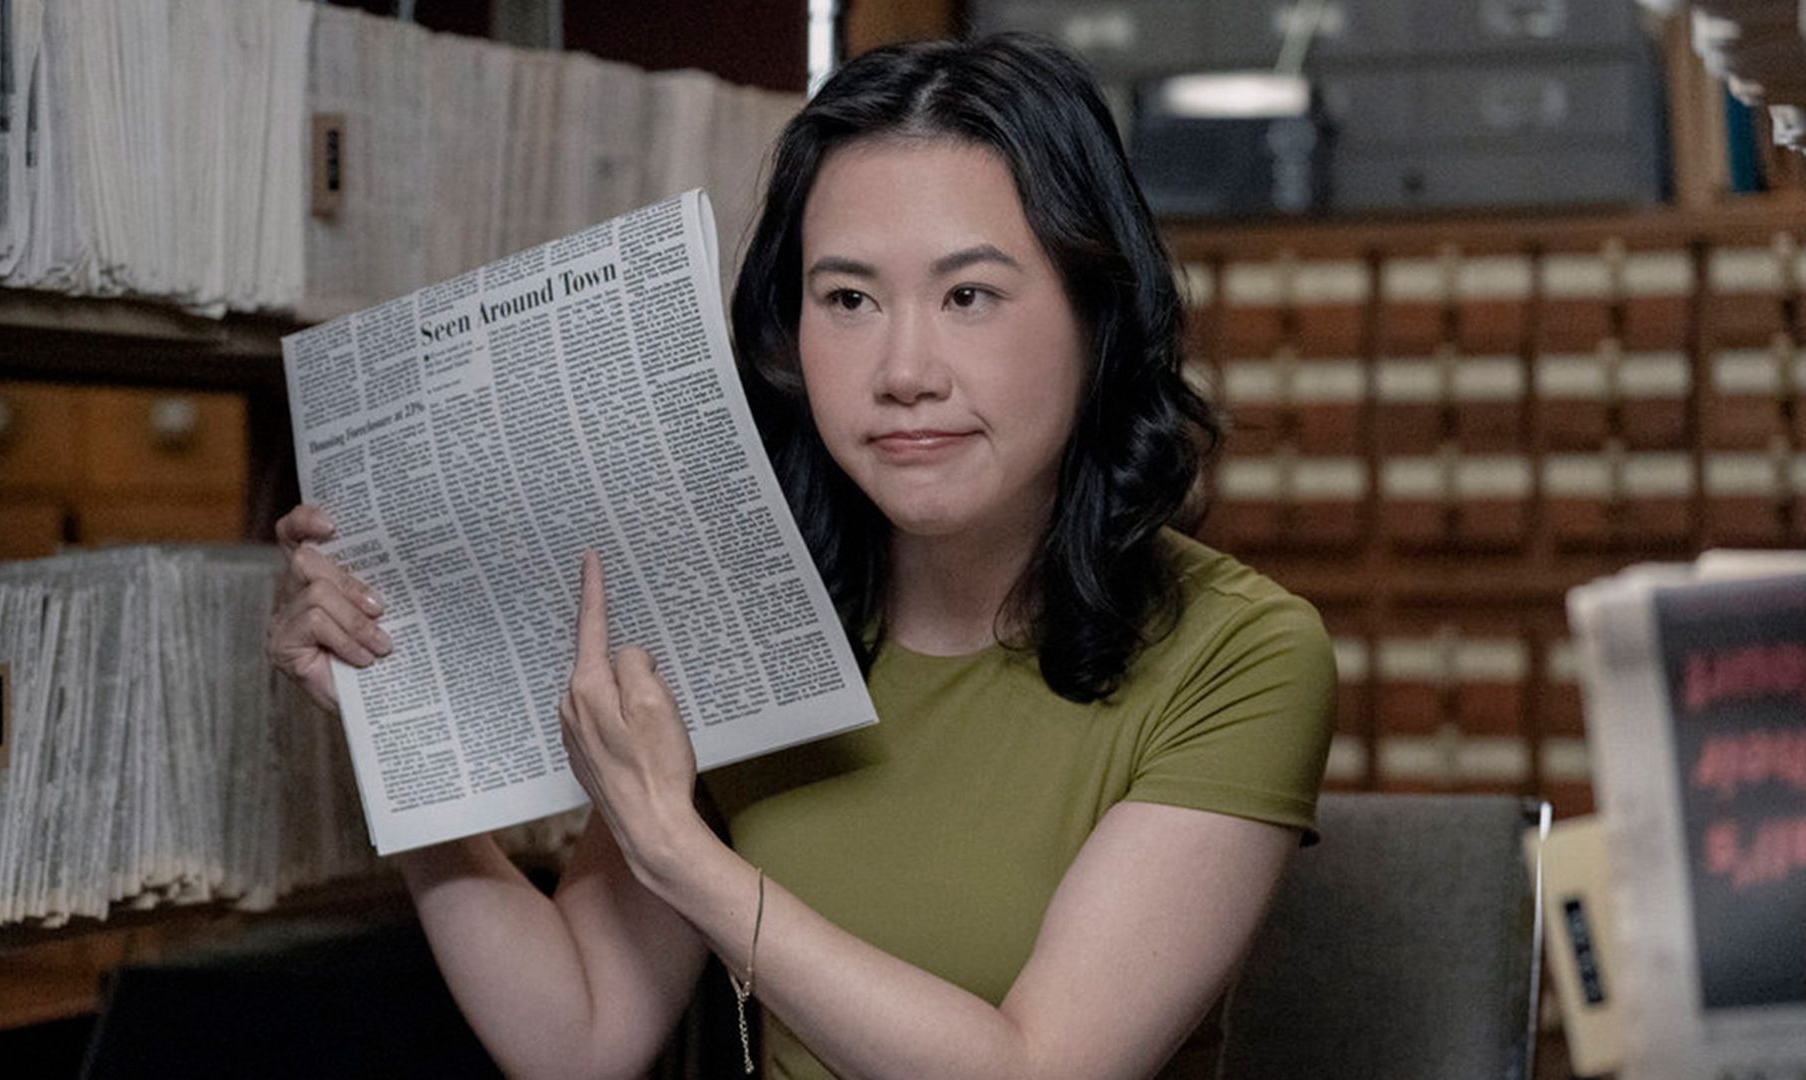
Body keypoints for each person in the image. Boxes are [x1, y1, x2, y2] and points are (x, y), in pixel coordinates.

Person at [269, 32, 1334, 1080]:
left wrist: (680, 853)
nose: (904, 372)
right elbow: (578, 1038)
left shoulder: (1244, 654)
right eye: (848, 300)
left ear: (1097, 313)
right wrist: (397, 722)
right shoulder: (744, 612)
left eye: (968, 295)